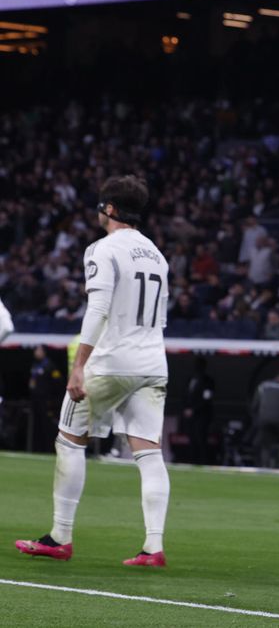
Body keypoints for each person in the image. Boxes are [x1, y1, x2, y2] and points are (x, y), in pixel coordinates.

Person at [15, 175, 172, 567]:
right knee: (149, 453)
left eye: (101, 205)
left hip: (113, 361)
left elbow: (98, 310)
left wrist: (79, 365)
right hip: (153, 362)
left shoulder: (102, 249)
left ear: (111, 210)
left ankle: (59, 537)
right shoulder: (157, 255)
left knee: (69, 439)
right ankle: (153, 546)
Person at [251, 371, 279, 469]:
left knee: (265, 444)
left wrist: (257, 421)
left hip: (264, 419)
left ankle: (264, 466)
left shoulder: (262, 386)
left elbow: (255, 405)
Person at [182, 357, 216, 464]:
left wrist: (193, 410)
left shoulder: (208, 382)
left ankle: (203, 461)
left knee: (201, 438)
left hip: (202, 416)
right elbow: (184, 396)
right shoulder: (189, 380)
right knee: (191, 438)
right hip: (190, 416)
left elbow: (206, 399)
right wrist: (185, 409)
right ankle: (192, 461)